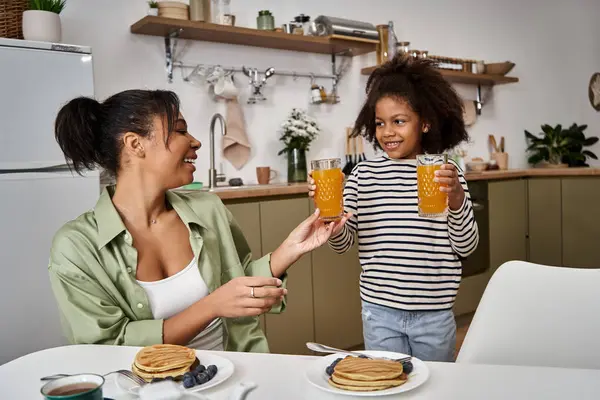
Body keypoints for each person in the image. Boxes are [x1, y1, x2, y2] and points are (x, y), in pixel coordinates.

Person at [49, 89, 349, 353]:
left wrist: (290, 249)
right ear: (135, 144)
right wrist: (211, 307)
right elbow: (106, 347)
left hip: (231, 375)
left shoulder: (207, 208)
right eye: (180, 131)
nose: (195, 142)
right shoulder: (76, 247)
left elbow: (236, 284)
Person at [309, 54, 479, 362]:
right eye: (380, 123)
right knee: (386, 385)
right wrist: (329, 216)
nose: (387, 132)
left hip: (434, 314)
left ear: (425, 122)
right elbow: (343, 244)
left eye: (399, 121)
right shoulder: (363, 175)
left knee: (435, 387)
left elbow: (466, 246)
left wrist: (455, 198)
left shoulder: (445, 174)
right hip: (380, 311)